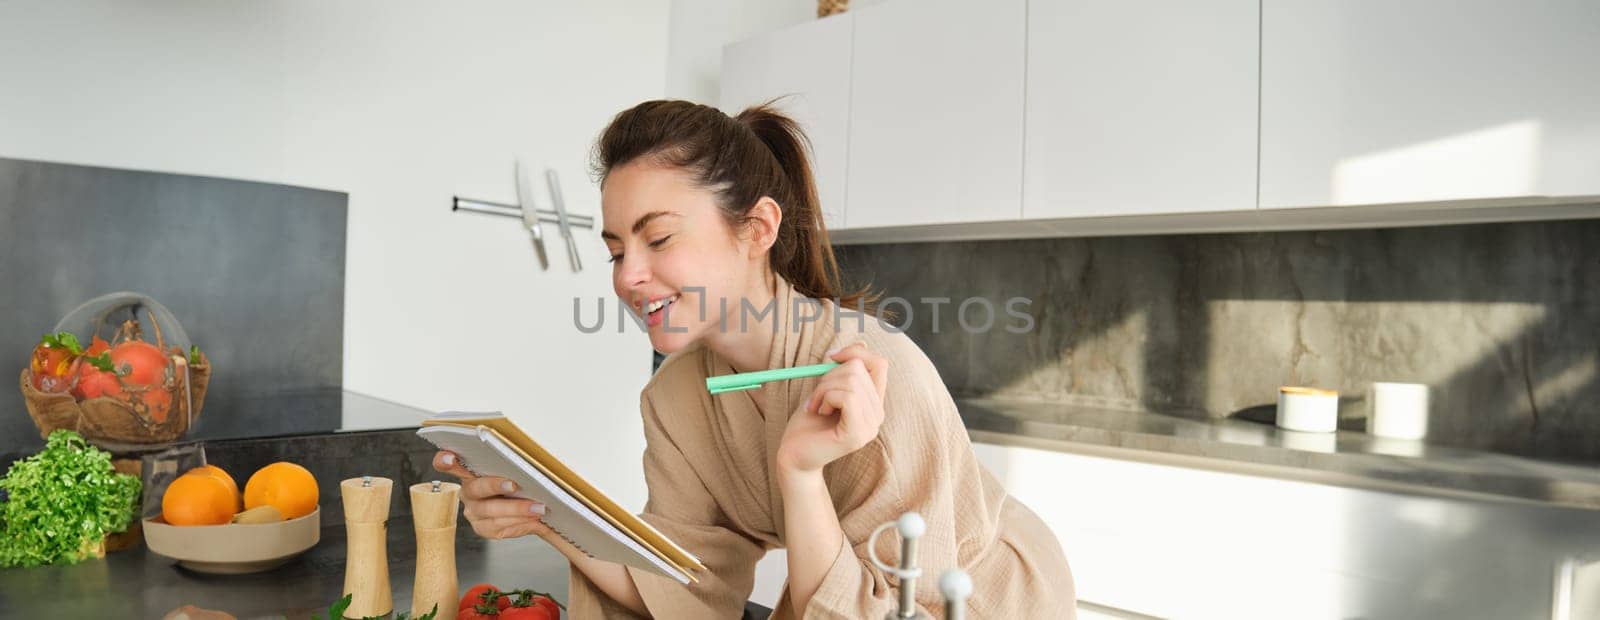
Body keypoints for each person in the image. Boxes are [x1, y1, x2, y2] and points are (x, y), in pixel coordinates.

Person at [434, 99, 1075, 618]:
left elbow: (900, 605)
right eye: (616, 250)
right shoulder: (674, 396)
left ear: (758, 230)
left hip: (981, 600)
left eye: (658, 238)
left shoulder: (874, 374)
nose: (629, 277)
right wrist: (542, 514)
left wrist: (798, 472)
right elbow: (685, 585)